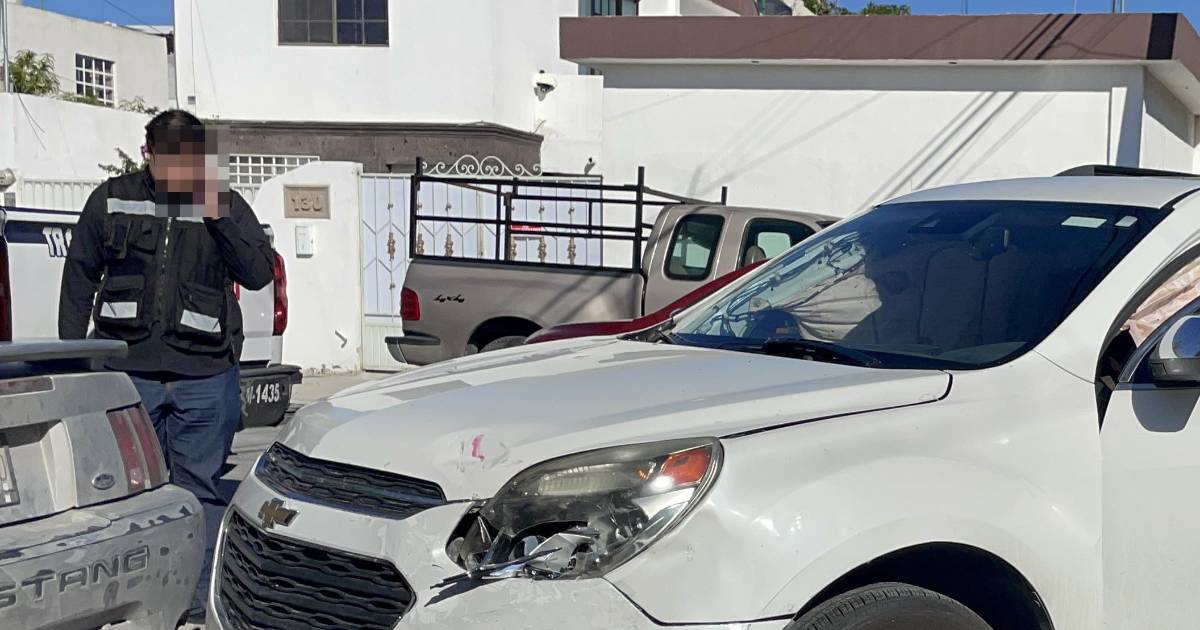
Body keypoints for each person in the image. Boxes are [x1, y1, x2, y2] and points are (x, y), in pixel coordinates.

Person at [58, 109, 275, 625]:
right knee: (125, 496)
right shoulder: (112, 198)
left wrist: (213, 209)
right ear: (148, 154)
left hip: (205, 377)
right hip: (127, 376)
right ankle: (129, 601)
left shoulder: (222, 202)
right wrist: (75, 360)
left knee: (198, 494)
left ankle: (194, 605)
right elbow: (79, 276)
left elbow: (258, 272)